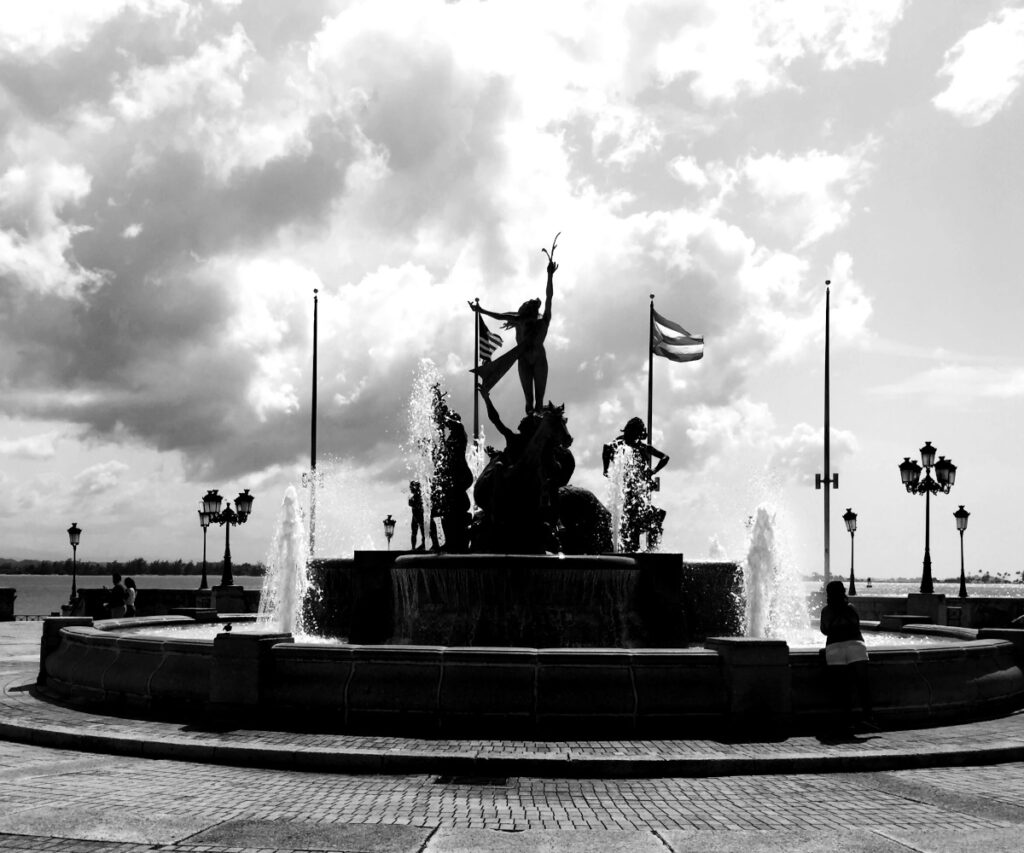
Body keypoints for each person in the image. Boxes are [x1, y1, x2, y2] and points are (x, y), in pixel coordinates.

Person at [470, 234, 559, 414]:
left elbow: (549, 296)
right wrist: (481, 310)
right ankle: (531, 419)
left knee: (539, 401)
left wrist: (550, 275)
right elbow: (500, 316)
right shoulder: (519, 321)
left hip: (539, 359)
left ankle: (538, 419)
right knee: (529, 401)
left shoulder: (543, 321)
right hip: (523, 359)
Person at [820, 580, 877, 732]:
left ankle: (848, 721)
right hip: (855, 645)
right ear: (843, 591)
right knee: (863, 684)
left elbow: (824, 630)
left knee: (842, 687)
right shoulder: (851, 608)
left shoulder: (826, 611)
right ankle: (868, 718)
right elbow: (856, 624)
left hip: (834, 647)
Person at [408, 481, 426, 551]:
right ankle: (414, 547)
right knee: (415, 532)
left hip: (420, 516)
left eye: (411, 487)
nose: (410, 489)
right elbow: (410, 504)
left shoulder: (420, 497)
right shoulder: (414, 497)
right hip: (416, 516)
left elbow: (411, 503)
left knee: (419, 531)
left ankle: (422, 545)